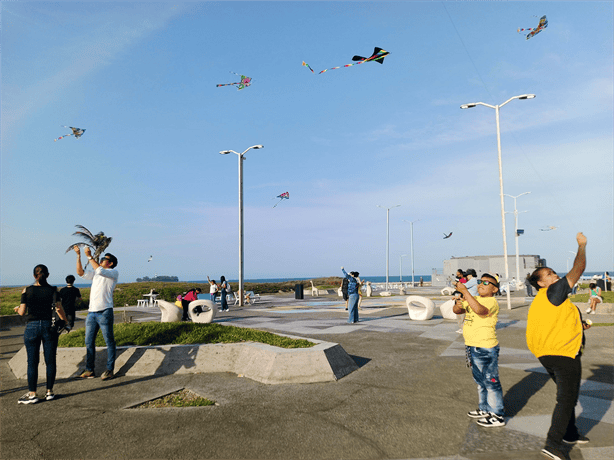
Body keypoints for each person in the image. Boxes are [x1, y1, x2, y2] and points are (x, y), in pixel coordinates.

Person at [526, 232, 591, 460]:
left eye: (554, 272)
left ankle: (570, 433)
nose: (555, 275)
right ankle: (552, 445)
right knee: (566, 399)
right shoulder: (553, 291)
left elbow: (553, 322)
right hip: (562, 354)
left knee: (568, 395)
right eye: (549, 274)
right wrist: (581, 246)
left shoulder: (545, 300)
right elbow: (579, 269)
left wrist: (580, 325)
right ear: (540, 283)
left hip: (549, 353)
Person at [453, 273, 505, 428]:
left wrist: (466, 292)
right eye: (480, 281)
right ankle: (484, 408)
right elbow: (458, 311)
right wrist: (458, 303)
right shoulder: (476, 299)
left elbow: (480, 311)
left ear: (495, 289)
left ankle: (497, 414)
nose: (481, 284)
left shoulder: (491, 301)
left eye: (486, 283)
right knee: (480, 382)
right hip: (472, 345)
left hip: (485, 347)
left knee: (491, 381)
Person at [14, 265, 69, 404]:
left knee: (32, 362)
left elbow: (22, 312)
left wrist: (17, 309)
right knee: (50, 360)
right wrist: (65, 321)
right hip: (48, 327)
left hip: (31, 327)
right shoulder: (53, 290)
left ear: (34, 275)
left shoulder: (27, 290)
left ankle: (32, 394)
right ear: (48, 275)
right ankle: (49, 392)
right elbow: (58, 308)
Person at [74, 246, 119, 381]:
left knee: (109, 341)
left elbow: (99, 269)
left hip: (105, 311)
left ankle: (109, 370)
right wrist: (78, 256)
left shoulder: (113, 272)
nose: (102, 260)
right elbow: (80, 273)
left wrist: (89, 256)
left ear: (110, 263)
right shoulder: (96, 273)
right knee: (88, 341)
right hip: (92, 313)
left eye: (105, 259)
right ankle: (89, 370)